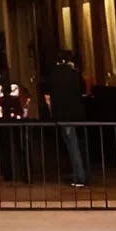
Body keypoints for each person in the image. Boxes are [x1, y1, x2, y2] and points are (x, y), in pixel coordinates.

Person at [44, 47, 90, 188]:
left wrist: (52, 111)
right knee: (77, 144)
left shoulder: (53, 75)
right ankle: (81, 174)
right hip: (76, 113)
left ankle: (79, 176)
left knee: (71, 144)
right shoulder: (75, 74)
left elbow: (47, 97)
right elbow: (83, 91)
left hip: (62, 114)